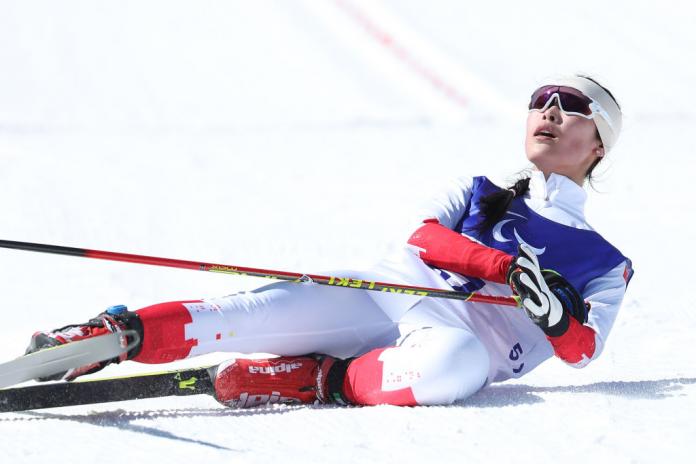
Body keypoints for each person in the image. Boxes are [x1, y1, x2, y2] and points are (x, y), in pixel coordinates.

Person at [27, 75, 633, 407]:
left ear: (599, 143)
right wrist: (506, 270)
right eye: (540, 101)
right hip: (388, 294)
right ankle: (112, 336)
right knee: (243, 313)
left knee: (459, 365)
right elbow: (424, 239)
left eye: (571, 106)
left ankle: (313, 380)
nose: (548, 111)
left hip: (456, 342)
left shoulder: (605, 264)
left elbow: (583, 350)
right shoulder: (477, 188)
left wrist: (555, 318)